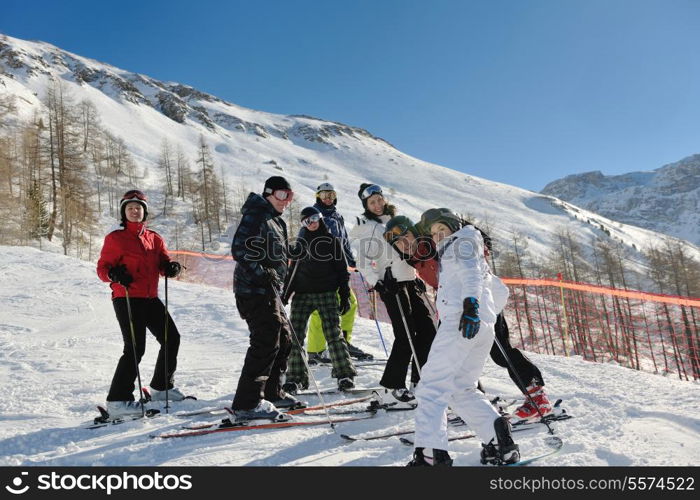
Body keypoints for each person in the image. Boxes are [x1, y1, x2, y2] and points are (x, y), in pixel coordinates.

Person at [386, 212, 552, 420]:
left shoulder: (435, 243)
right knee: (461, 357)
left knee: (500, 351)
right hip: (457, 309)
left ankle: (536, 395)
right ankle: (472, 401)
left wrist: (479, 242)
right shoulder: (413, 259)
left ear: (416, 233)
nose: (404, 244)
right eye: (398, 243)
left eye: (406, 237)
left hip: (480, 301)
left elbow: (466, 243)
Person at [407, 208, 519, 466]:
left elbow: (470, 276)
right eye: (433, 234)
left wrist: (470, 308)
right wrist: (484, 316)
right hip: (479, 328)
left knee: (431, 387)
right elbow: (500, 292)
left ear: (453, 227)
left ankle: (430, 455)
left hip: (460, 323)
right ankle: (498, 439)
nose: (437, 237)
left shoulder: (461, 244)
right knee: (461, 388)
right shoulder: (471, 246)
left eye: (441, 229)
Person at [96, 189, 186, 418]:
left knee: (171, 338)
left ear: (144, 212)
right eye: (130, 208)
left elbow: (164, 262)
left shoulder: (154, 238)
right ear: (124, 212)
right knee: (135, 348)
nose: (134, 211)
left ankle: (161, 387)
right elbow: (102, 269)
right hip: (126, 297)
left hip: (150, 298)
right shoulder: (115, 238)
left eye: (138, 208)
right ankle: (118, 401)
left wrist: (170, 268)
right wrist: (114, 275)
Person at [349, 183, 436, 404]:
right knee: (405, 334)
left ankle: (420, 379)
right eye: (372, 202)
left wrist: (418, 275)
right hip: (391, 283)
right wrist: (377, 282)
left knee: (427, 330)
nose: (377, 205)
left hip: (410, 279)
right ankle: (391, 386)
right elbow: (363, 261)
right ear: (366, 205)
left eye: (379, 199)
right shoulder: (366, 226)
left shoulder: (397, 219)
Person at [230, 176, 299, 421]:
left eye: (289, 196)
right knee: (266, 340)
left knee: (284, 338)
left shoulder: (276, 221)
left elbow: (275, 254)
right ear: (268, 193)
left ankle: (271, 391)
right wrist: (262, 273)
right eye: (281, 195)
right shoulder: (256, 214)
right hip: (253, 291)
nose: (286, 201)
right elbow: (240, 249)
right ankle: (247, 403)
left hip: (271, 291)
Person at [282, 207, 357, 393]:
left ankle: (344, 375)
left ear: (320, 219)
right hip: (302, 294)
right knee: (296, 334)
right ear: (303, 225)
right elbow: (293, 271)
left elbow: (342, 270)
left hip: (327, 293)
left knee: (333, 333)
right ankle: (295, 378)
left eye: (314, 218)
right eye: (307, 221)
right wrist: (285, 293)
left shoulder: (332, 241)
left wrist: (345, 294)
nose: (312, 223)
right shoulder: (301, 242)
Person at [306, 183, 372, 362]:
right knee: (321, 310)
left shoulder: (337, 216)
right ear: (318, 196)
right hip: (320, 270)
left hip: (338, 270)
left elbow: (344, 243)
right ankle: (315, 351)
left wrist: (352, 261)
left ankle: (342, 344)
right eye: (324, 194)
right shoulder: (313, 215)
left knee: (349, 304)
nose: (328, 197)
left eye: (331, 194)